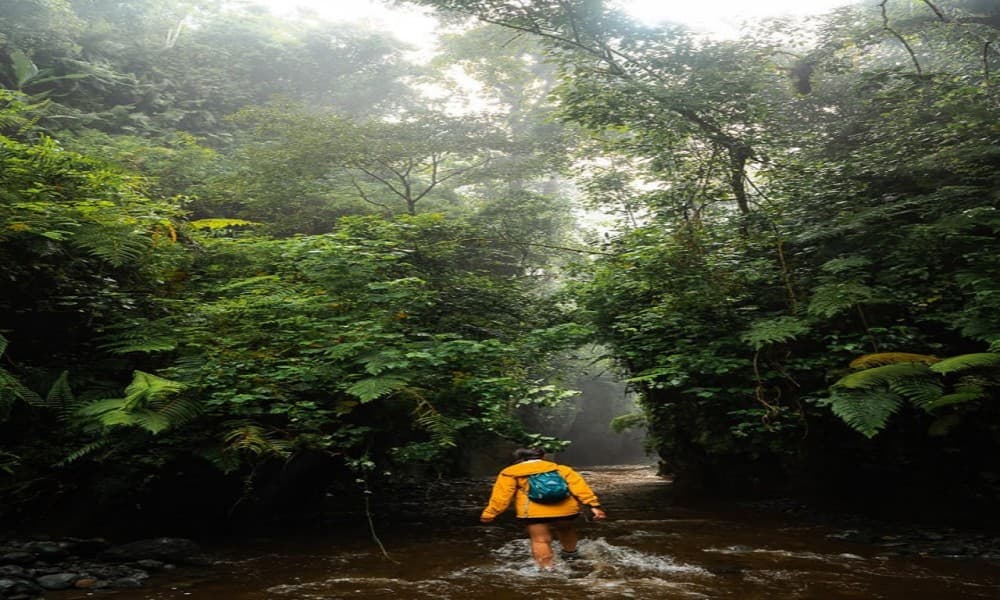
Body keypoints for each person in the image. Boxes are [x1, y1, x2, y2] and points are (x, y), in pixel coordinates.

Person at [480, 447, 607, 570]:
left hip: (533, 512)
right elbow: (580, 489)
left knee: (540, 540)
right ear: (543, 456)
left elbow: (502, 496)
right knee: (566, 530)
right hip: (565, 509)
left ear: (519, 459)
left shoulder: (510, 472)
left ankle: (547, 570)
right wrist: (593, 506)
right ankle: (571, 556)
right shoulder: (561, 469)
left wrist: (490, 513)